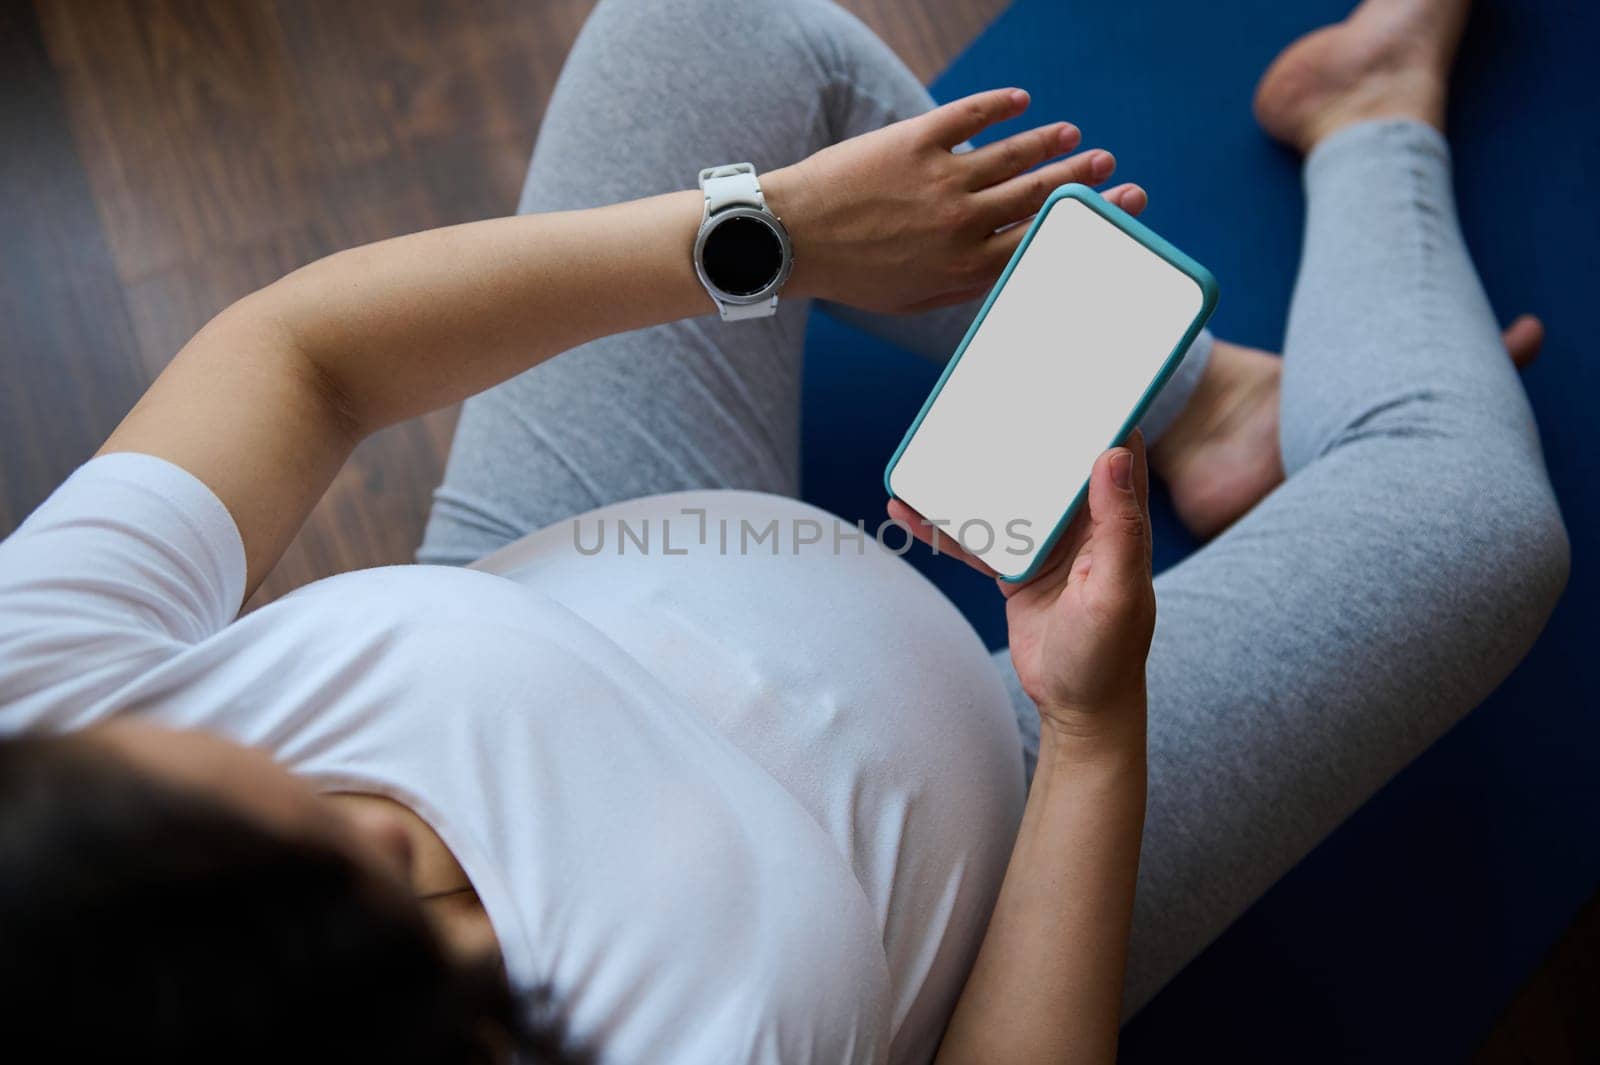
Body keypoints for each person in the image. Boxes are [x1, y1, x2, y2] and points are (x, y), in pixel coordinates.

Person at [0, 0, 1568, 1061]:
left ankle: (1200, 402)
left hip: (586, 547)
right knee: (1479, 518)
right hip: (1003, 818)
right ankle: (1367, 113)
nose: (91, 732)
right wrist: (1093, 735)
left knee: (704, 22)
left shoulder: (29, 730)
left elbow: (302, 361)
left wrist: (759, 237)